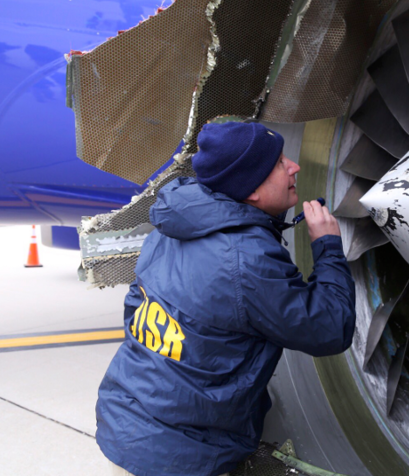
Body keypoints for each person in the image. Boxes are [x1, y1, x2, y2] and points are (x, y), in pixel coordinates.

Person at [95, 121, 356, 476]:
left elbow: (135, 306)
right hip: (178, 458)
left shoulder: (174, 223)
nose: (294, 166)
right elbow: (330, 328)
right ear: (250, 190)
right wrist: (326, 246)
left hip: (125, 423)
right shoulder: (247, 260)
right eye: (279, 163)